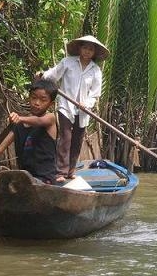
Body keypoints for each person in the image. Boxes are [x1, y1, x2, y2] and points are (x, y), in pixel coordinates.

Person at [42, 34, 109, 182]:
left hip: (83, 111)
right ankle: (60, 172)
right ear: (80, 48)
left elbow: (95, 94)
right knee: (65, 137)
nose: (87, 51)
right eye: (85, 47)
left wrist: (87, 104)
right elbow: (53, 75)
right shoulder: (68, 62)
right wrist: (42, 75)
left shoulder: (95, 70)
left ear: (94, 53)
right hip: (66, 106)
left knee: (77, 140)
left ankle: (71, 170)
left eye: (90, 49)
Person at [0, 79, 59, 190]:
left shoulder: (50, 119)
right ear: (29, 98)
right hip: (23, 176)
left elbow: (39, 121)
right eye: (34, 97)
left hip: (44, 179)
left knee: (21, 184)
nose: (37, 103)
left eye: (43, 100)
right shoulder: (19, 126)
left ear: (51, 104)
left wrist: (20, 118)